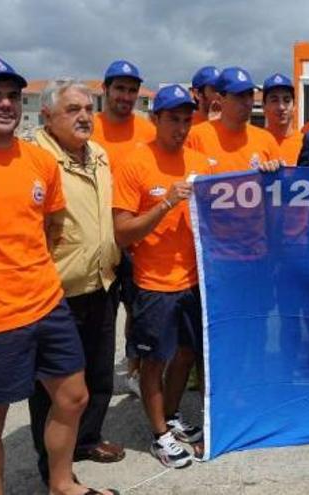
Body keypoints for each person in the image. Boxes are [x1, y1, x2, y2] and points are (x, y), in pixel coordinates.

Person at [0, 56, 118, 495]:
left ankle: (61, 484)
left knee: (74, 397)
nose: (5, 103)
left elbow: (50, 228)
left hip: (47, 305)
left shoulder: (40, 162)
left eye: (12, 96)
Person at [112, 85, 214, 468]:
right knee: (154, 362)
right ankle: (159, 436)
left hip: (194, 281)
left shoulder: (201, 162)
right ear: (155, 120)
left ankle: (169, 417)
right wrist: (166, 202)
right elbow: (123, 232)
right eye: (173, 119)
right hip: (154, 284)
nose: (182, 127)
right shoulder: (135, 163)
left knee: (187, 356)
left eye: (187, 119)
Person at [29, 78, 124, 484]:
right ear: (47, 116)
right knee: (51, 389)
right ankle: (49, 468)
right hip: (58, 292)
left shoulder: (99, 154)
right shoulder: (34, 158)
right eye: (72, 109)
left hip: (102, 282)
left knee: (98, 373)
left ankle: (87, 439)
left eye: (88, 107)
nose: (84, 116)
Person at [91, 59, 156, 397]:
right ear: (106, 90)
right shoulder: (89, 126)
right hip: (97, 237)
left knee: (137, 309)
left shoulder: (148, 130)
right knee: (100, 315)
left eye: (132, 90)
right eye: (120, 88)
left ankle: (134, 370)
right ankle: (94, 380)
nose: (126, 96)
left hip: (134, 237)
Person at [186, 66, 282, 173]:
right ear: (220, 99)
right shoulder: (195, 137)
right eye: (239, 95)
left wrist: (273, 172)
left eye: (250, 94)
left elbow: (281, 184)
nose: (247, 102)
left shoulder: (266, 140)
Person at [263, 73, 303, 165]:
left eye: (287, 100)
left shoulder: (306, 143)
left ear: (294, 107)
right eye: (274, 100)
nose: (281, 107)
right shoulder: (255, 142)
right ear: (264, 106)